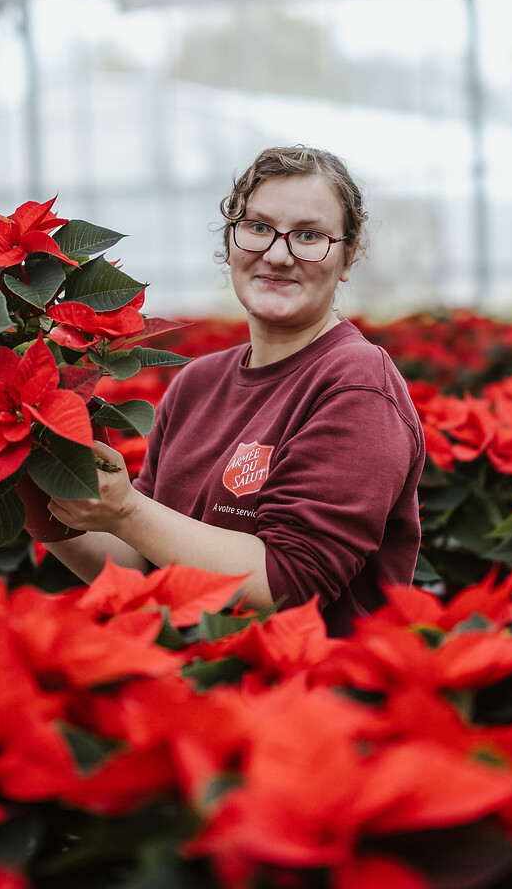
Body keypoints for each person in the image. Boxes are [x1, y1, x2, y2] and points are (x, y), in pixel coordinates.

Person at [45, 145, 423, 636]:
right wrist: (37, 482)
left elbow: (290, 585)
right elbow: (141, 567)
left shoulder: (355, 383)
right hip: (193, 693)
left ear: (347, 257)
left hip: (306, 699)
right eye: (259, 227)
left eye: (309, 235)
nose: (278, 254)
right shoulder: (196, 384)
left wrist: (129, 511)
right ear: (231, 241)